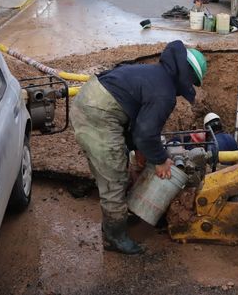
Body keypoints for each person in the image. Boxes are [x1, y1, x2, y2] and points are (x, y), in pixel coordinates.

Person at [70, 40, 207, 255]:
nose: (190, 87)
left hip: (93, 101)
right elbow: (145, 132)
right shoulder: (165, 93)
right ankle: (115, 237)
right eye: (193, 82)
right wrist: (161, 160)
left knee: (117, 166)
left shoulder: (155, 74)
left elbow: (137, 119)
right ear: (186, 74)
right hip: (97, 113)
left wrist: (141, 150)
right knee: (114, 177)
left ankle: (115, 221)